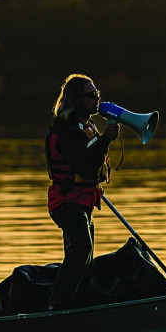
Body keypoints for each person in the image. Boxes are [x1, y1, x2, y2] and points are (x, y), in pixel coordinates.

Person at [44, 74, 120, 310]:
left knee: (85, 260)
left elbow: (91, 159)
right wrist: (106, 140)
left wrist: (102, 139)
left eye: (96, 93)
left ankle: (82, 306)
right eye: (90, 95)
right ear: (76, 100)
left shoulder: (87, 126)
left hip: (83, 201)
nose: (96, 98)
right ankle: (57, 307)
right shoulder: (65, 129)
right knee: (81, 249)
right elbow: (84, 165)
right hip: (66, 202)